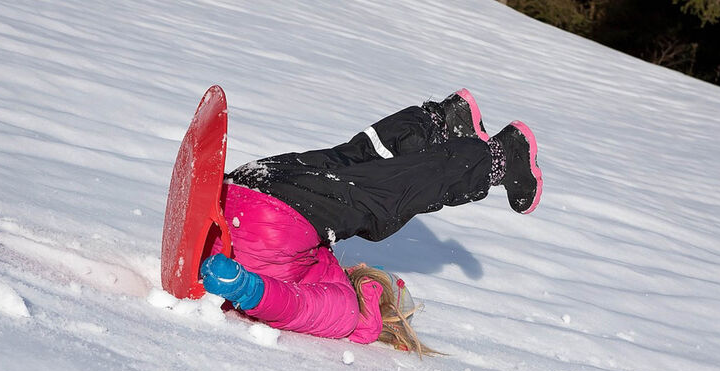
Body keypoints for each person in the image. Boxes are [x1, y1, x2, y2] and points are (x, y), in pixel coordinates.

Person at [199, 89, 542, 356]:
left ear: (377, 298)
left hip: (267, 209)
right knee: (353, 170)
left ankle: (489, 150)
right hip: (248, 195)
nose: (361, 263)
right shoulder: (328, 280)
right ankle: (444, 127)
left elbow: (291, 306)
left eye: (374, 275)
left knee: (383, 192)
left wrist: (244, 287)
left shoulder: (348, 313)